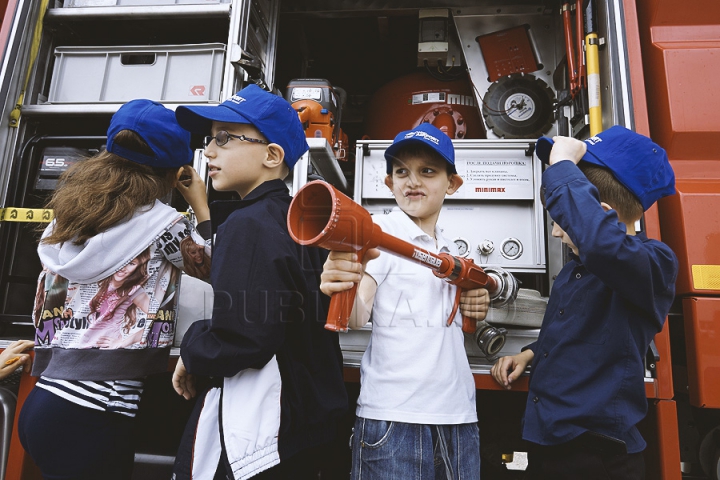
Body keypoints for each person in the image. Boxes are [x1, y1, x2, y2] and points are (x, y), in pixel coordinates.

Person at [18, 99, 212, 480]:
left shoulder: (70, 214)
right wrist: (201, 206)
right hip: (94, 413)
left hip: (47, 396)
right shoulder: (165, 226)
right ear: (176, 171)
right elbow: (214, 268)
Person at [171, 84, 347, 480]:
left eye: (223, 138)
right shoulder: (299, 222)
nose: (209, 152)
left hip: (264, 431)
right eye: (208, 139)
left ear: (272, 155)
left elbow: (244, 339)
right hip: (305, 425)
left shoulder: (247, 224)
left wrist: (193, 348)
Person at [490, 126, 678, 480]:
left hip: (598, 456)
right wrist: (530, 352)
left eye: (562, 221)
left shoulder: (653, 265)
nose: (556, 232)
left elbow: (603, 244)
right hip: (555, 446)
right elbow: (576, 328)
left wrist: (561, 165)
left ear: (601, 213)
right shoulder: (577, 270)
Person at [320, 122, 490, 479]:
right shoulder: (380, 233)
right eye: (402, 171)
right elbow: (356, 315)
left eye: (427, 171)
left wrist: (478, 301)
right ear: (389, 184)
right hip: (394, 420)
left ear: (452, 184)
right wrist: (342, 283)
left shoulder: (455, 246)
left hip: (458, 417)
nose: (413, 180)